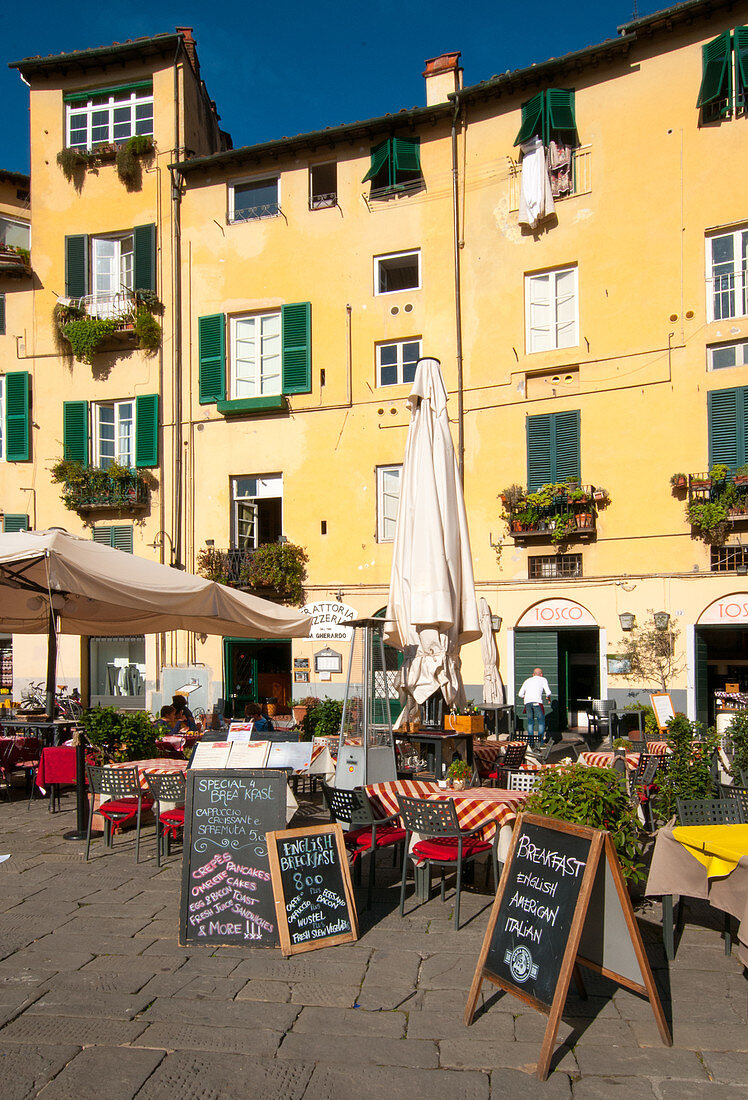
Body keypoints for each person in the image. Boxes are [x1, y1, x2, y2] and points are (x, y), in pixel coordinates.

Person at [517, 667, 552, 747]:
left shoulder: (527, 680)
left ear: (533, 674)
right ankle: (540, 742)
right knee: (541, 722)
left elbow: (520, 694)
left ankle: (531, 742)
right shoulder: (543, 679)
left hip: (528, 702)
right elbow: (548, 692)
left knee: (530, 722)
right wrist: (548, 697)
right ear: (541, 674)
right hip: (537, 701)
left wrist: (526, 697)